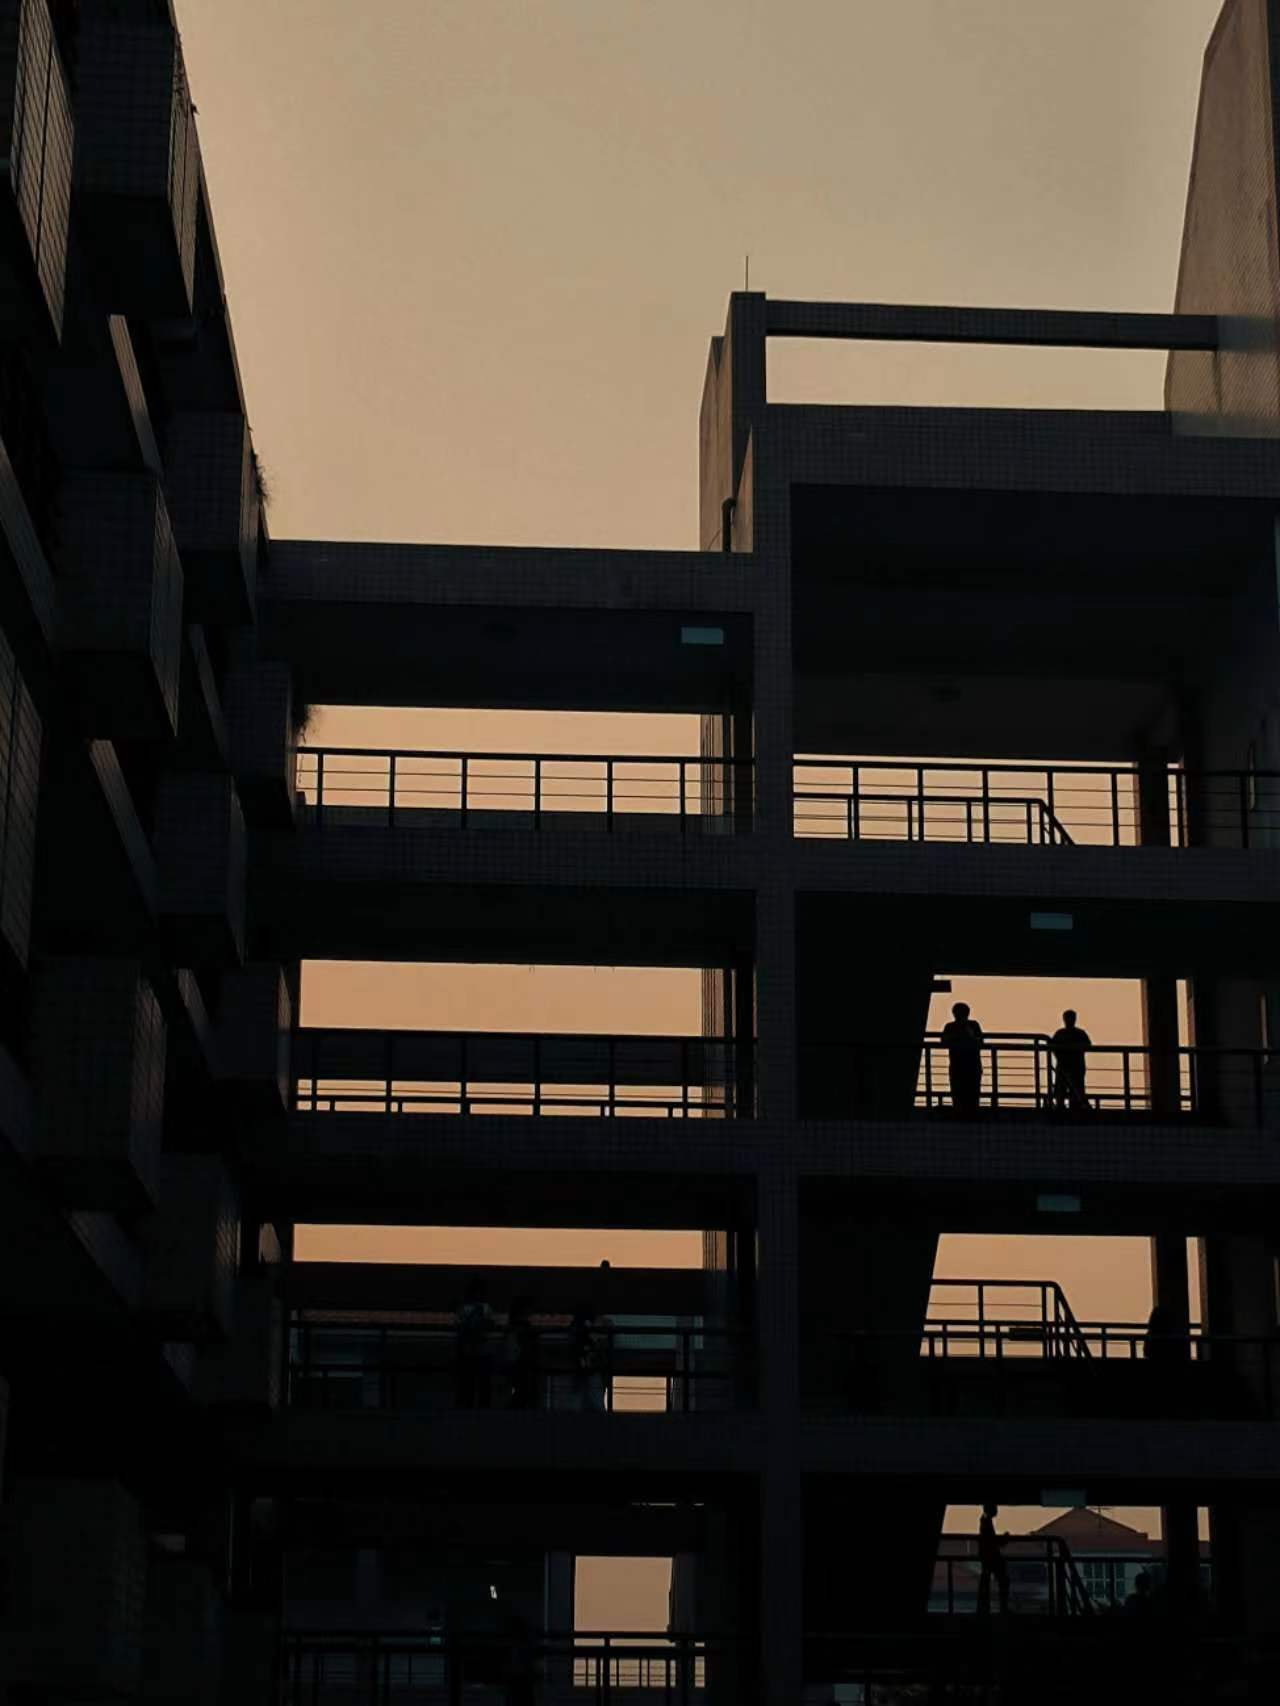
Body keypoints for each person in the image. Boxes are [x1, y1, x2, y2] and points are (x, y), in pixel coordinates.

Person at [455, 1277, 496, 1409]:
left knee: (471, 1382)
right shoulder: (485, 1308)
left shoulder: (464, 1309)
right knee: (477, 1382)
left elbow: (459, 1327)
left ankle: (469, 1406)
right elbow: (491, 1325)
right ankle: (479, 1407)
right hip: (477, 1351)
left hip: (471, 1351)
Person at [940, 1002, 984, 1118]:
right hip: (969, 1065)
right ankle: (969, 1115)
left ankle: (963, 1114)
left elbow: (980, 1041)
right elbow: (980, 1042)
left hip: (962, 1066)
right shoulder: (972, 1025)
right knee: (969, 1092)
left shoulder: (951, 1027)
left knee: (963, 1092)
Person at [1050, 1009, 1093, 1113]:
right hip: (1070, 1066)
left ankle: (1066, 1109)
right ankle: (1067, 1108)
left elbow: (1052, 1047)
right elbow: (1087, 1045)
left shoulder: (1062, 1034)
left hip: (1071, 1066)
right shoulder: (1076, 1033)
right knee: (1067, 1090)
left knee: (1071, 1090)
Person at [504, 1294, 541, 1410]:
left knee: (521, 1388)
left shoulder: (516, 1327)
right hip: (520, 1361)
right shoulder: (521, 1328)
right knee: (521, 1388)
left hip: (519, 1361)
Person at [977, 1502, 1011, 1615]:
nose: (997, 1510)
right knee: (1003, 1580)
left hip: (987, 1556)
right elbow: (992, 1541)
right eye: (995, 1508)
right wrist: (1004, 1539)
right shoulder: (986, 1521)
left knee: (986, 1582)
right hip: (991, 1557)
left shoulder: (985, 1520)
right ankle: (1003, 1608)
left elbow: (990, 1540)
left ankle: (984, 1608)